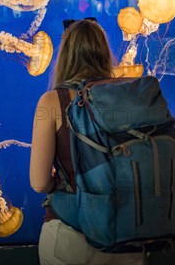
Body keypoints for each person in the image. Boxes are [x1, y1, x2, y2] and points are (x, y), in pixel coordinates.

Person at [30, 19, 144, 265]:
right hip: (126, 235)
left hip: (69, 236)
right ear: (104, 53)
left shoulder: (52, 101)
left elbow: (39, 182)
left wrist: (60, 183)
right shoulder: (132, 96)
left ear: (65, 55)